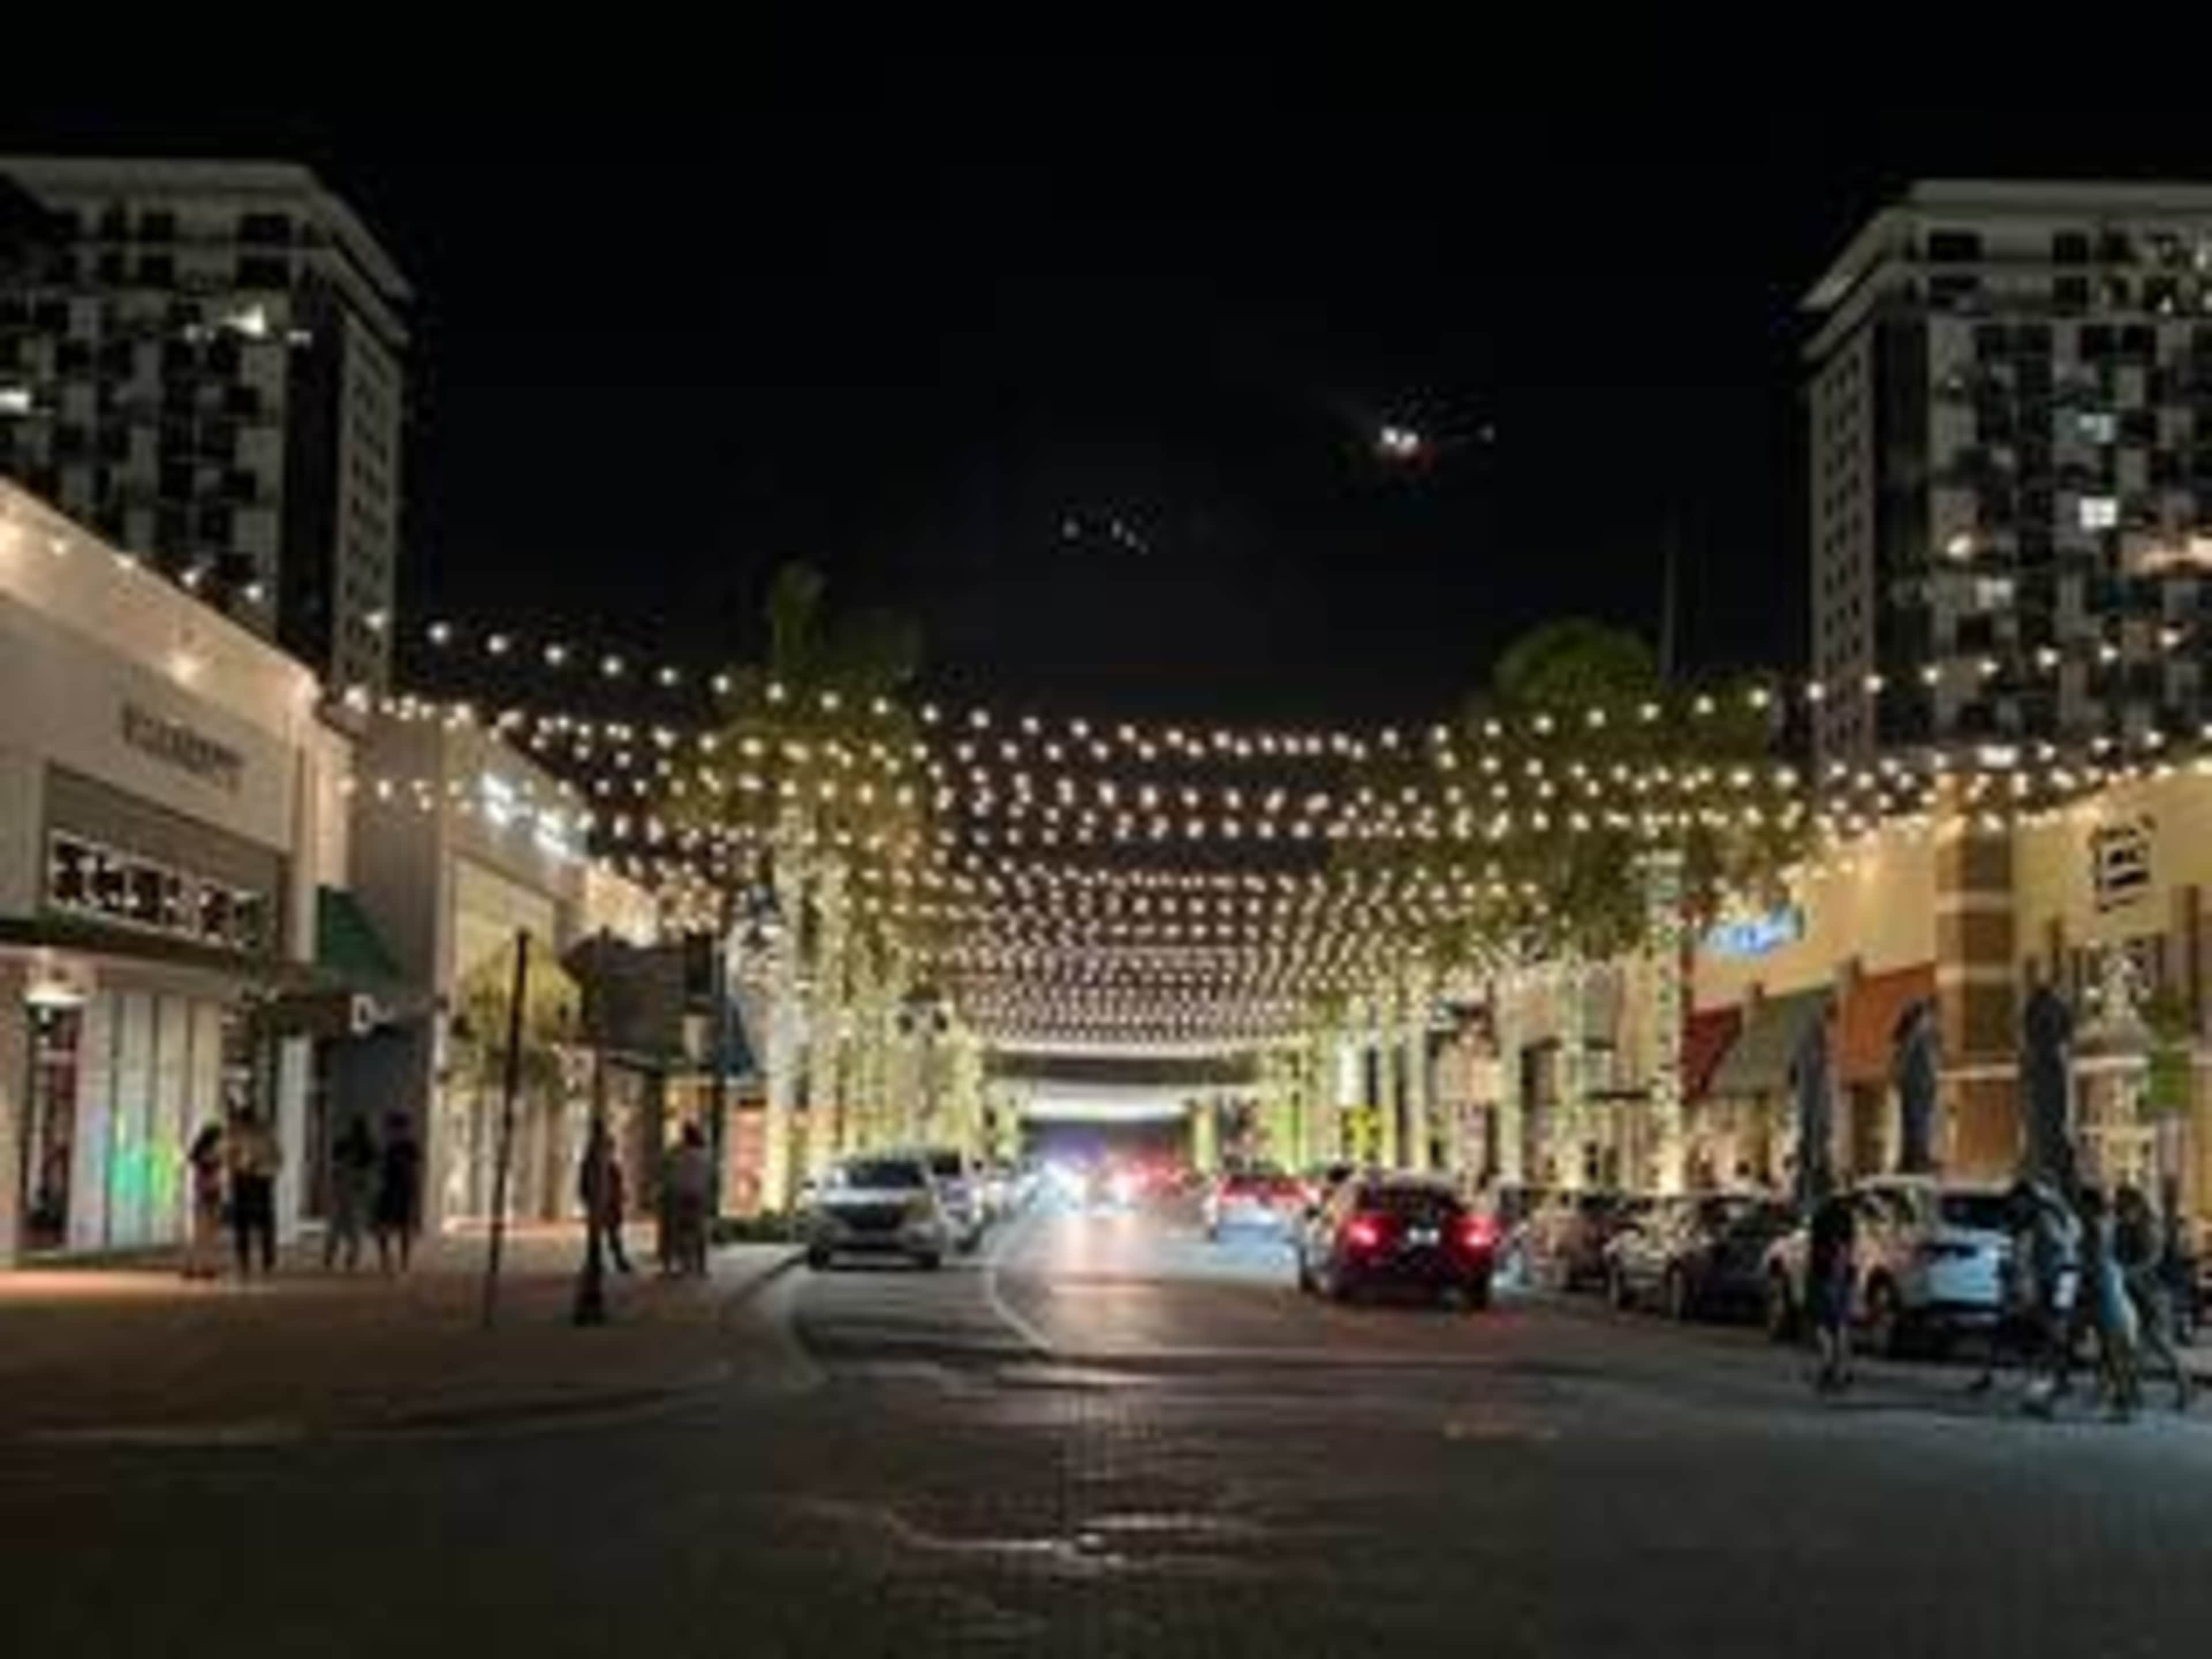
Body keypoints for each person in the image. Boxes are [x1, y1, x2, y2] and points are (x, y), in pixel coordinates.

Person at [2113, 1185, 2190, 1414]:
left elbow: (2154, 1258)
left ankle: (2184, 1386)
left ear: (2135, 1205)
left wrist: (2131, 1271)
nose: (2118, 1209)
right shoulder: (2123, 1228)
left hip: (2154, 1293)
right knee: (2133, 1344)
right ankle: (2131, 1393)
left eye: (2122, 1205)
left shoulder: (2149, 1227)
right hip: (2133, 1292)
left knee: (2158, 1342)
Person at [1806, 1189, 1856, 1393]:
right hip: (1842, 1275)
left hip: (1824, 1273)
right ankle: (1842, 1369)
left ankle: (1829, 1365)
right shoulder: (1847, 1219)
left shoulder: (1821, 1218)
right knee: (1840, 1323)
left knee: (1823, 1322)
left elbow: (1828, 1247)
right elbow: (1848, 1247)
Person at [225, 1107, 281, 1275]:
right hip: (245, 1180)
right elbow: (229, 1157)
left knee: (262, 1221)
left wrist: (260, 1165)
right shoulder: (238, 1135)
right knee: (246, 1221)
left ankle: (265, 1258)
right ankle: (248, 1259)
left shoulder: (264, 1136)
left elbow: (277, 1159)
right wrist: (236, 1165)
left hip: (259, 1181)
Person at [577, 1118, 633, 1275]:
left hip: (601, 1197)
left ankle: (599, 1262)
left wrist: (585, 1194)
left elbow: (586, 1176)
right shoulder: (596, 1154)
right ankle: (611, 1262)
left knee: (602, 1233)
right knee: (610, 1232)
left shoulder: (591, 1153)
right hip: (603, 1196)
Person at [324, 1115, 378, 1272]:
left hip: (345, 1184)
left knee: (336, 1223)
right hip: (357, 1186)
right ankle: (351, 1258)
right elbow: (372, 1168)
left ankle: (331, 1256)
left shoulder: (344, 1143)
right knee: (354, 1224)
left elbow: (335, 1165)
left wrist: (334, 1183)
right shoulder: (369, 1145)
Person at [374, 1111, 423, 1274]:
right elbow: (382, 1170)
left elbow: (413, 1170)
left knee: (404, 1229)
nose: (389, 1133)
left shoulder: (410, 1147)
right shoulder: (388, 1148)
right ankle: (387, 1259)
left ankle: (404, 1262)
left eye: (391, 1129)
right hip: (389, 1190)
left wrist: (413, 1192)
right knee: (382, 1228)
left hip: (403, 1191)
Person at [662, 1123, 712, 1277]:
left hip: (680, 1195)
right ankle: (700, 1267)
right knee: (698, 1231)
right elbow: (709, 1176)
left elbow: (669, 1168)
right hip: (698, 1195)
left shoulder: (679, 1153)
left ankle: (679, 1267)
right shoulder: (705, 1154)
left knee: (678, 1231)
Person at [183, 1120, 227, 1279]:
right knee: (209, 1234)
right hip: (211, 1193)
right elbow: (214, 1168)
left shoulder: (199, 1153)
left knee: (200, 1233)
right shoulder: (212, 1153)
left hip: (202, 1192)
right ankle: (206, 1266)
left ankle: (194, 1265)